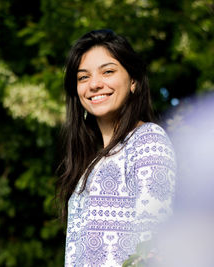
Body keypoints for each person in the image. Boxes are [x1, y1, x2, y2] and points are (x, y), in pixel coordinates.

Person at [58, 29, 176, 267]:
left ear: (133, 81)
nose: (94, 84)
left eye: (108, 71)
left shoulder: (147, 140)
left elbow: (153, 242)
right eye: (83, 77)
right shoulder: (91, 160)